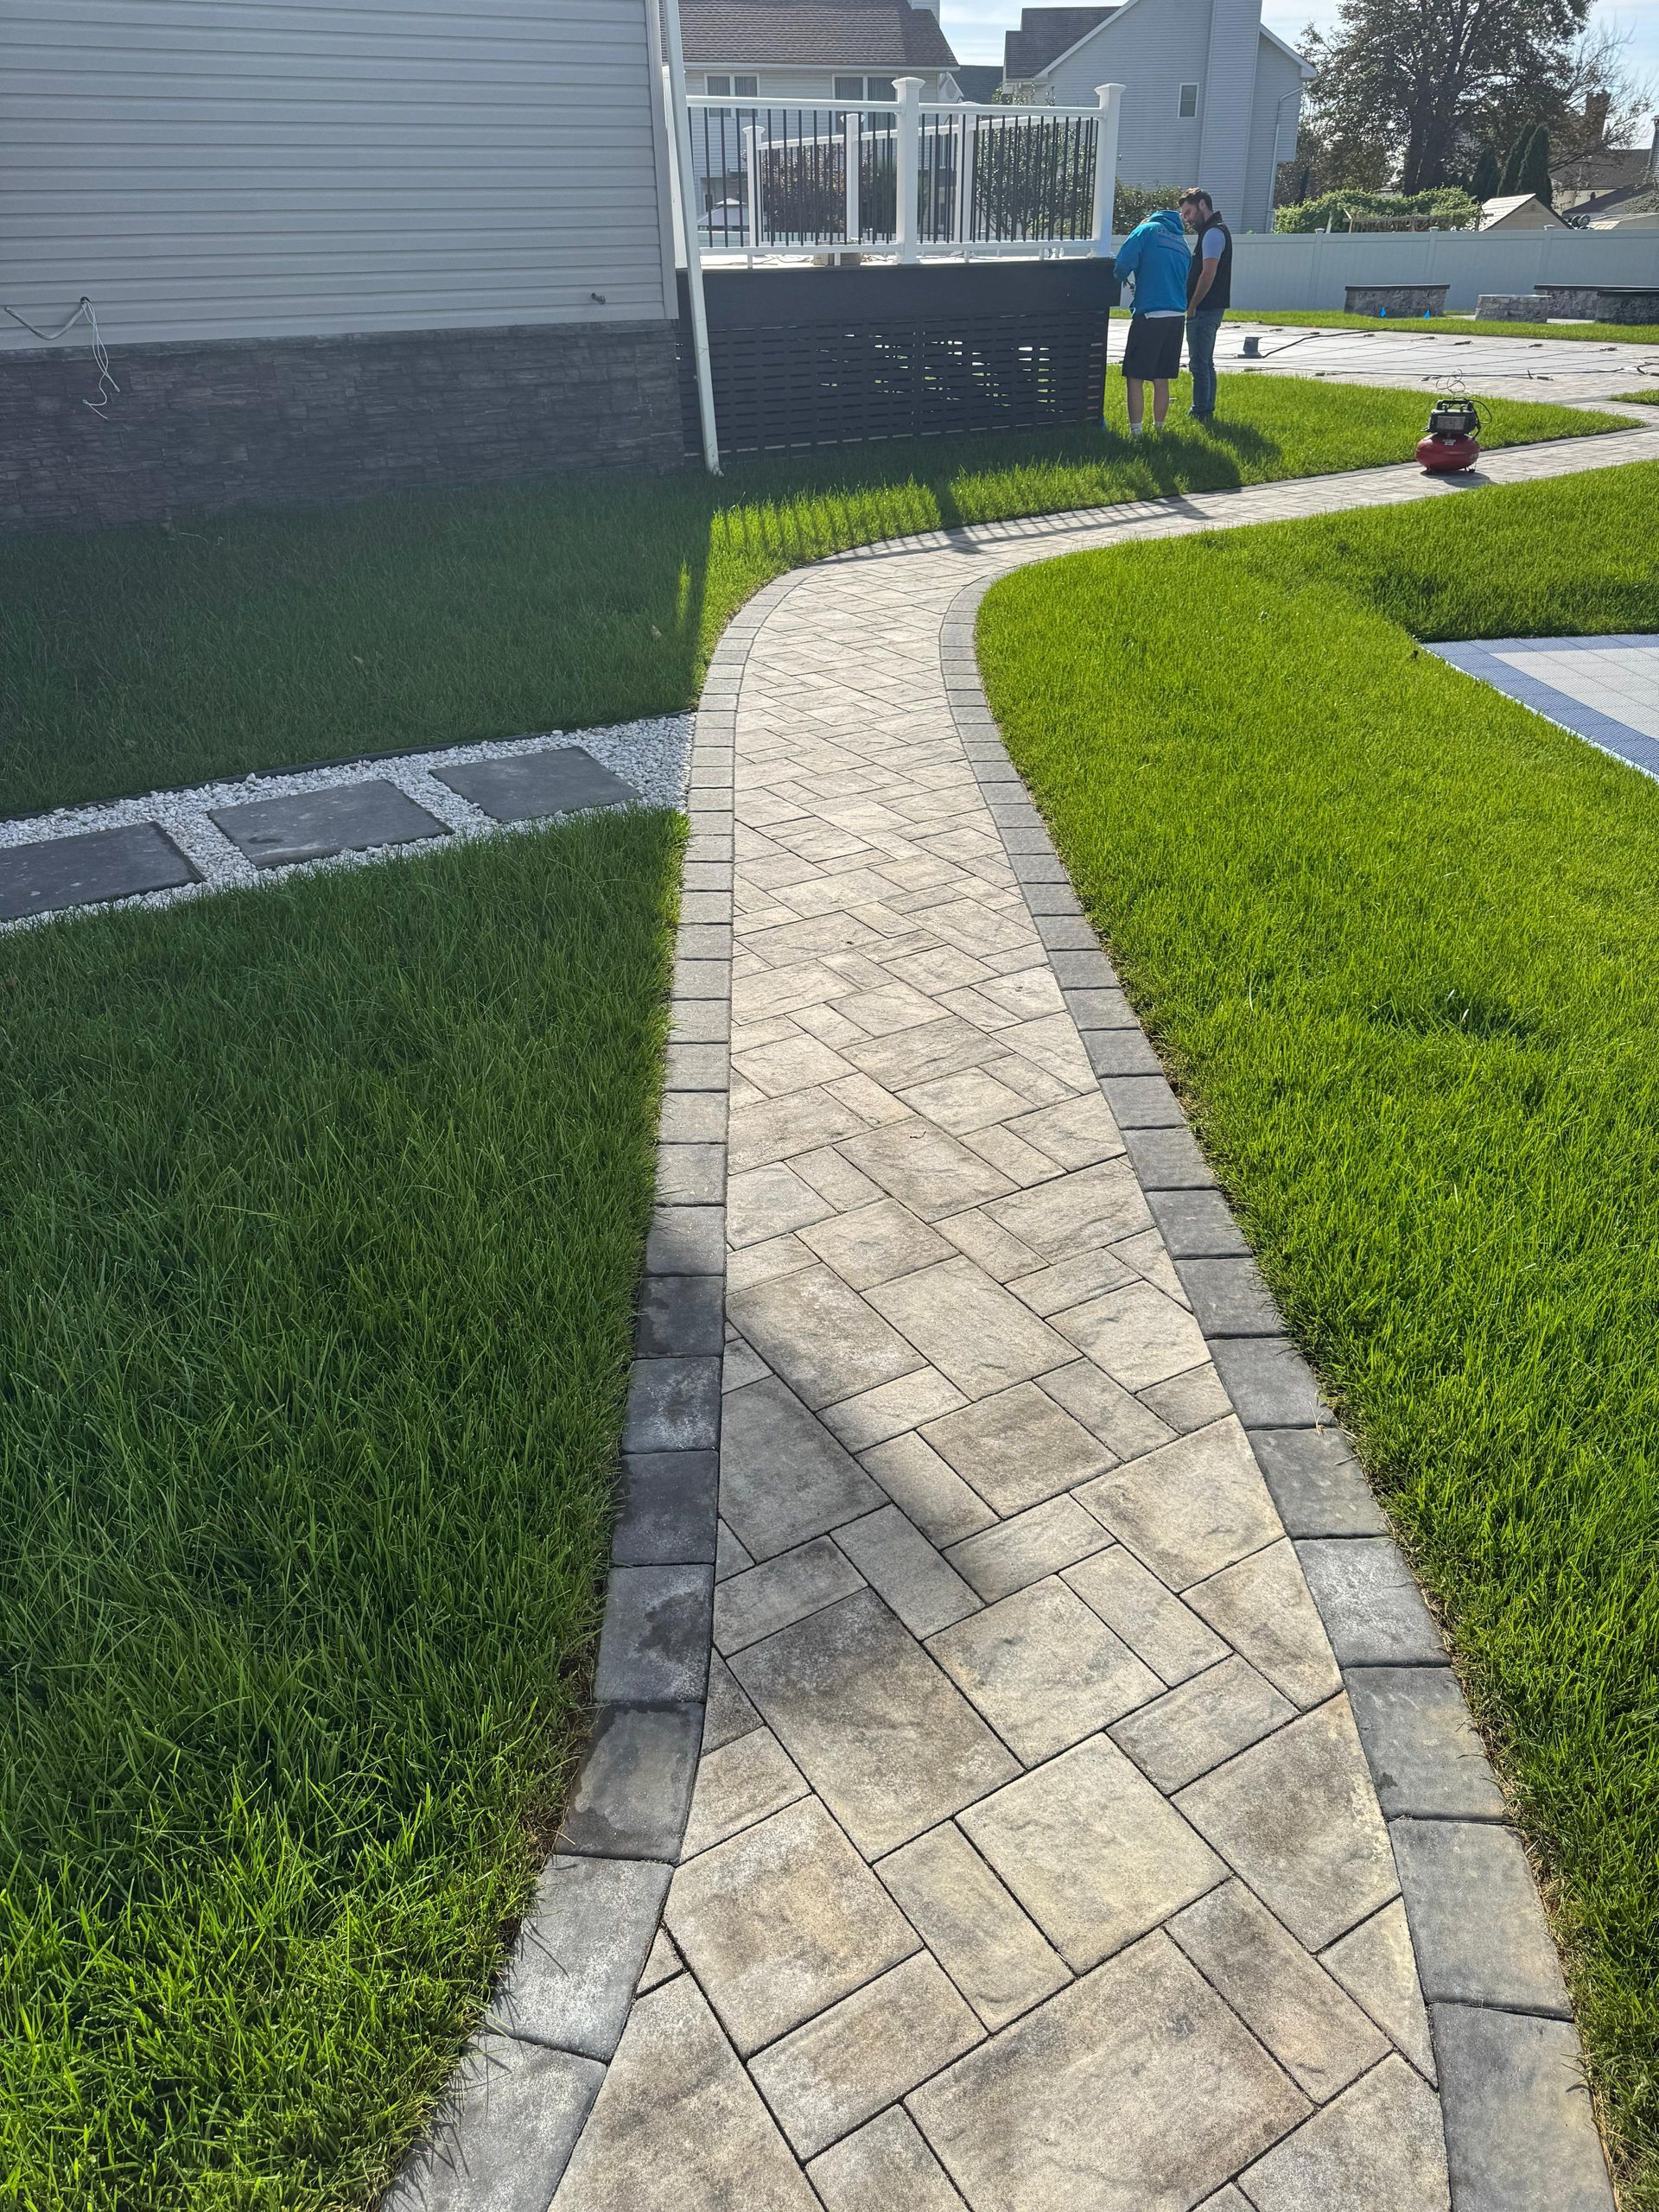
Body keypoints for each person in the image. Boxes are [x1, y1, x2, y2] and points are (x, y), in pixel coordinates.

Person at [1109, 205, 1191, 436]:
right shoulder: (1182, 243)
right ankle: (1160, 430)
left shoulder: (1146, 230)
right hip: (1176, 316)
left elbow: (1124, 261)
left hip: (1150, 314)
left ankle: (1136, 433)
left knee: (1135, 376)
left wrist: (1121, 277)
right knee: (1161, 376)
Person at [1179, 188, 1232, 423]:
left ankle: (1200, 411)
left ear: (1202, 205)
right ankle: (1206, 409)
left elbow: (1208, 273)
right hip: (1211, 307)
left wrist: (1193, 305)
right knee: (1206, 361)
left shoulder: (1212, 233)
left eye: (1188, 212)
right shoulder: (1214, 231)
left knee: (1198, 363)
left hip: (1205, 308)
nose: (1187, 219)